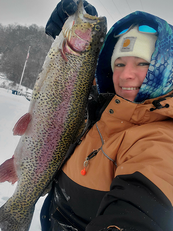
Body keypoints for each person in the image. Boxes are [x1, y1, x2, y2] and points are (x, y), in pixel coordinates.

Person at [40, 1, 173, 230]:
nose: (125, 75)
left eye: (143, 63)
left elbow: (143, 212)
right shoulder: (107, 106)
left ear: (167, 69)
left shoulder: (160, 141)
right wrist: (77, 33)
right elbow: (73, 78)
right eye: (119, 64)